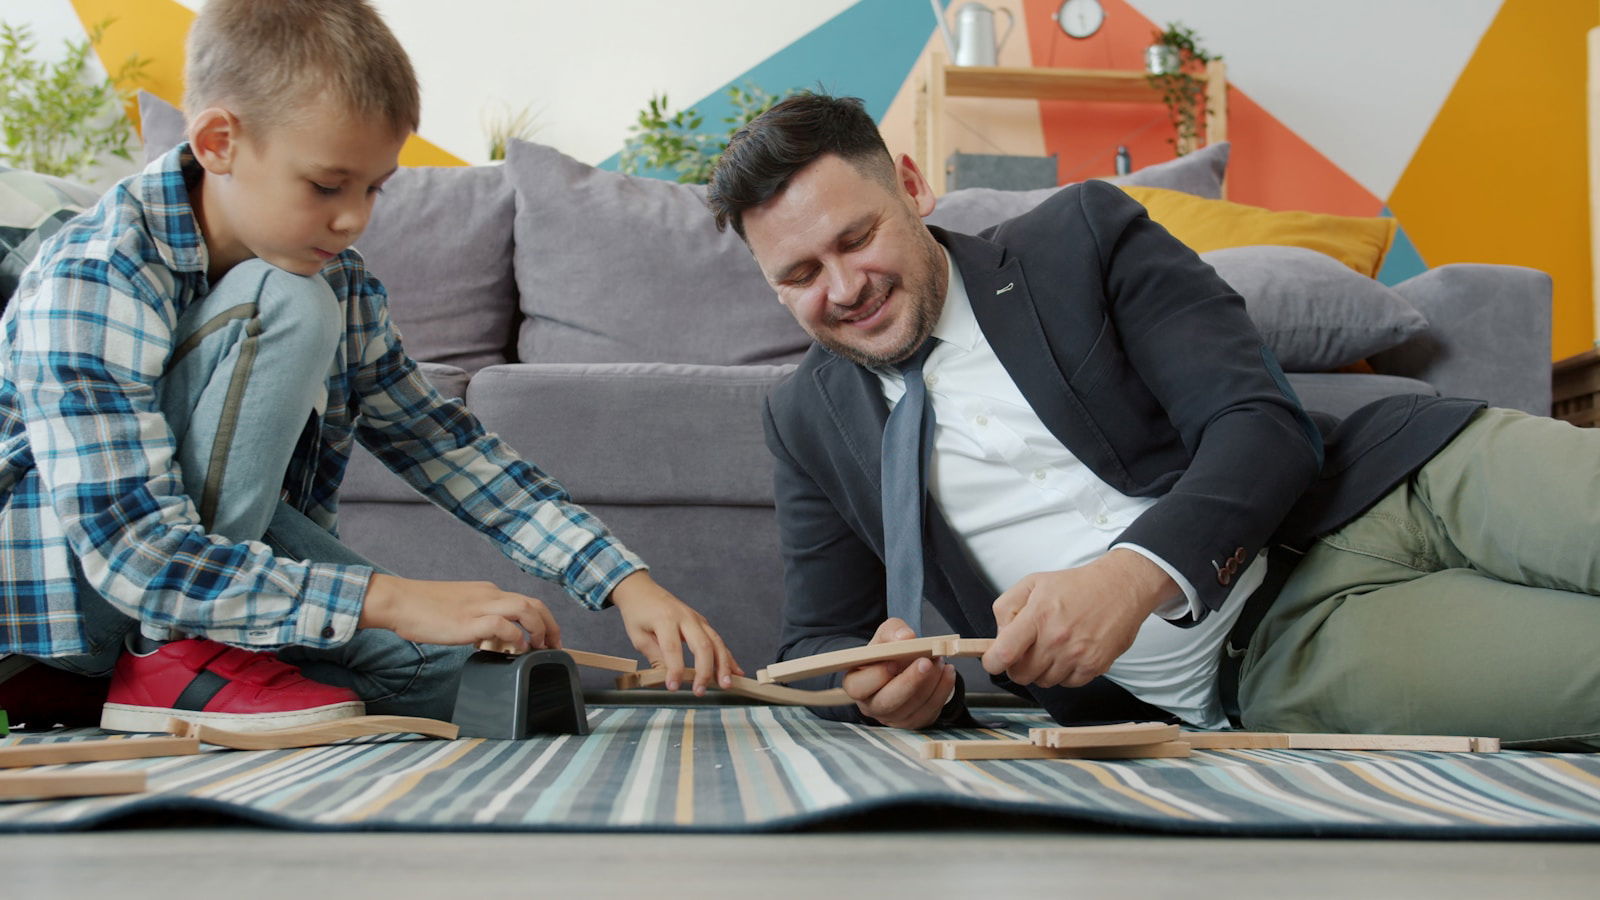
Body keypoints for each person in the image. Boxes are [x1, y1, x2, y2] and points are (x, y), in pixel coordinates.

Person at [705, 92, 1600, 749]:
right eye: (799, 275)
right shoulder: (805, 417)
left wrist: (1131, 577)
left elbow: (1258, 420)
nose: (843, 288)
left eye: (856, 239)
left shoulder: (1080, 235)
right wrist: (887, 687)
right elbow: (817, 643)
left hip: (1409, 480)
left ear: (911, 186)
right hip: (1286, 651)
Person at [0, 0, 738, 733]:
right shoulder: (96, 274)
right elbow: (132, 549)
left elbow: (443, 445)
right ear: (220, 141)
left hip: (222, 584)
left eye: (374, 187)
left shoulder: (340, 276)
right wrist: (386, 597)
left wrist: (625, 583)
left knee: (490, 681)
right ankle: (174, 660)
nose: (355, 218)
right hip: (66, 613)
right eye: (327, 186)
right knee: (287, 300)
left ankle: (207, 662)